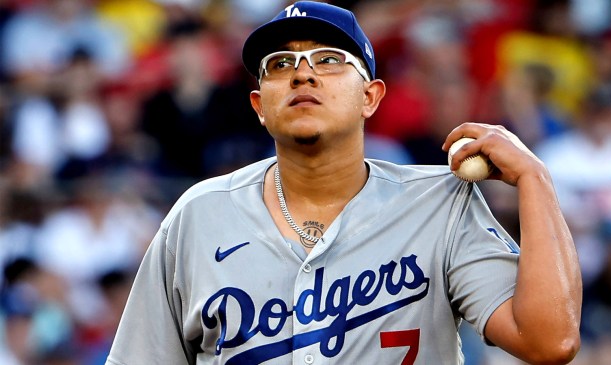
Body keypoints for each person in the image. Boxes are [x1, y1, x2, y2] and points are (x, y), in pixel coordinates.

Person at [106, 2, 582, 364]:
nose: (302, 74)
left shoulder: (440, 204)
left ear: (370, 97)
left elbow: (549, 341)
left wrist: (534, 179)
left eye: (330, 60)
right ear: (258, 105)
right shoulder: (198, 216)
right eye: (280, 65)